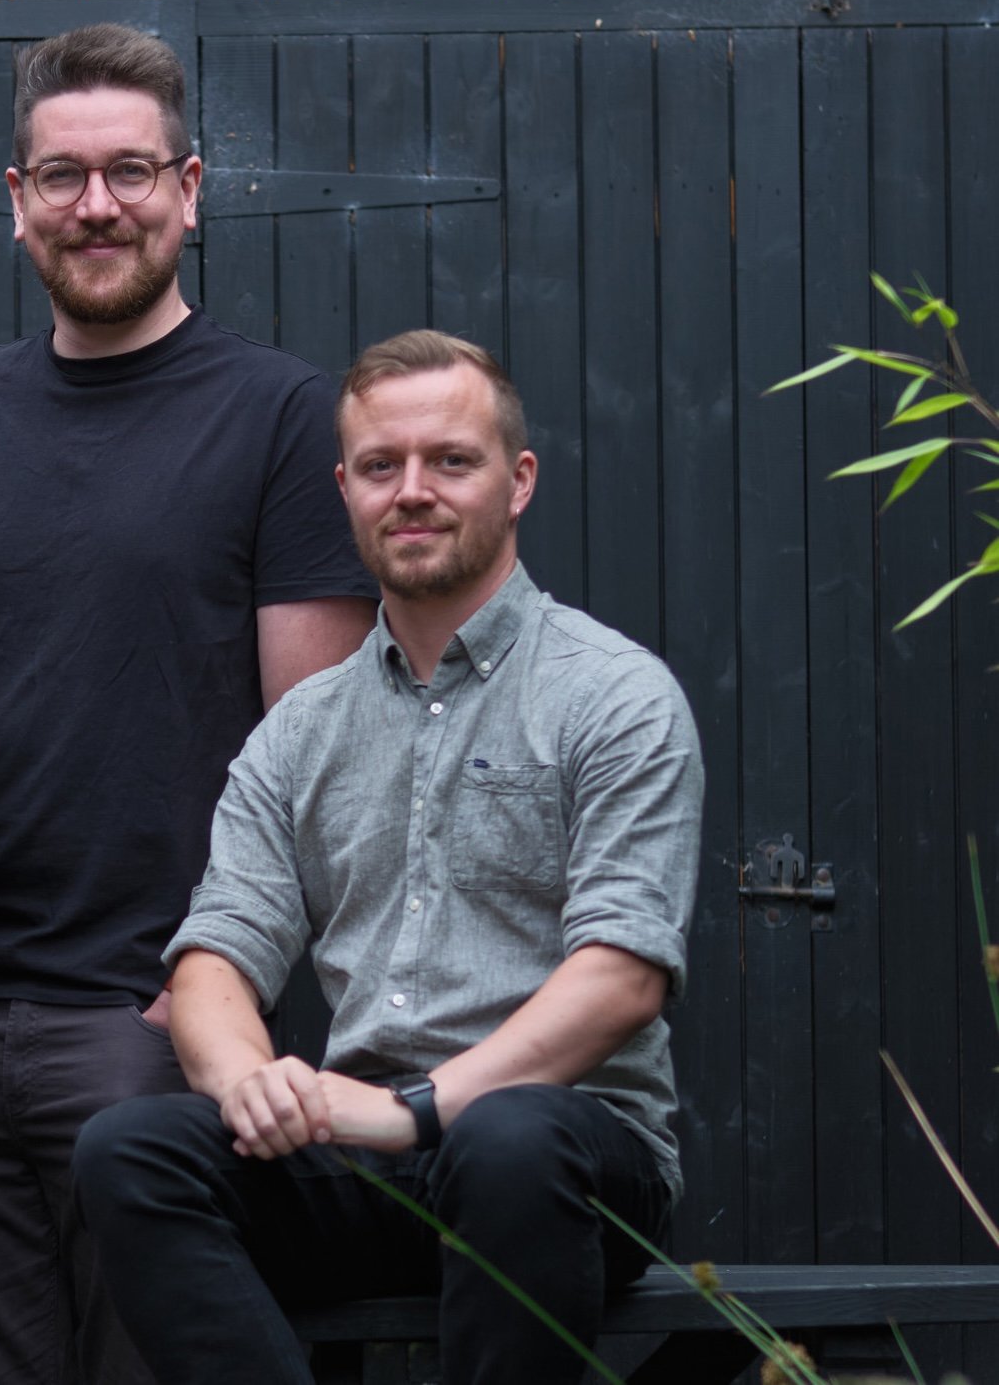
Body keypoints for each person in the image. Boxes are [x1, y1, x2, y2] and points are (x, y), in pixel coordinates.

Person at [0, 22, 380, 1382]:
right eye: (64, 176)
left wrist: (216, 993)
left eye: (132, 173)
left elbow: (312, 754)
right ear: (16, 200)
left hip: (150, 1019)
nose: (99, 205)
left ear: (192, 190)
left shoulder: (277, 416)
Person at [71, 329, 704, 1385]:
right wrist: (245, 1084)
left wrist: (417, 1108)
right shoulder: (300, 730)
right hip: (358, 1155)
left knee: (506, 1138)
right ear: (346, 489)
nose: (411, 491)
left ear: (518, 482)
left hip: (564, 1160)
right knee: (129, 1152)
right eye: (380, 466)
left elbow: (623, 977)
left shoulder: (612, 695)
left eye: (450, 461)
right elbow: (213, 957)